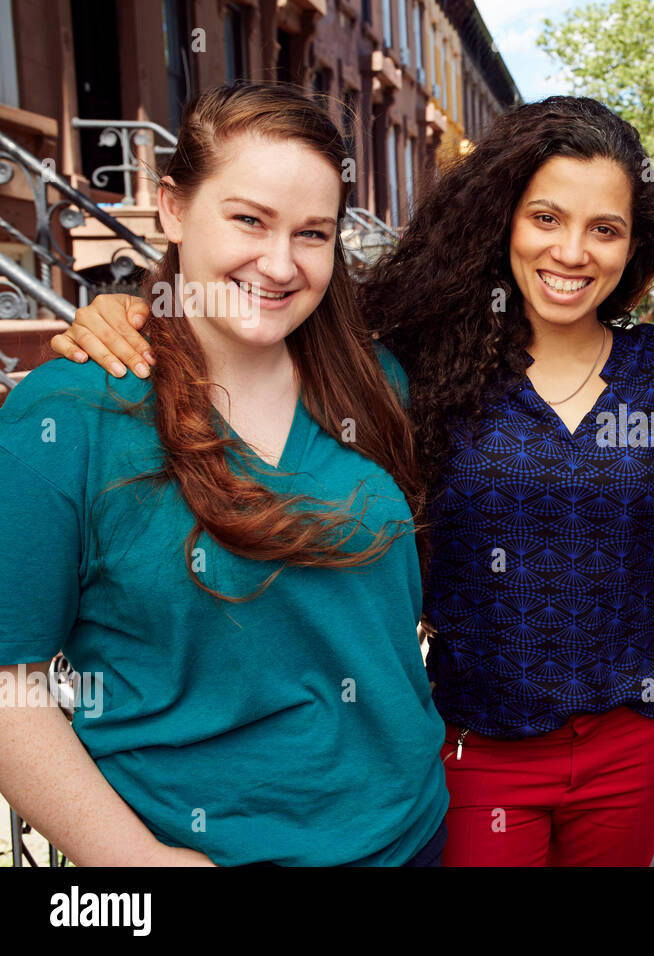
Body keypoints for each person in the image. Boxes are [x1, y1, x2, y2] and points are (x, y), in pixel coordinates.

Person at [49, 96, 654, 867]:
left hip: (634, 742)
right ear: (503, 220)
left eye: (605, 228)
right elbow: (268, 302)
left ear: (633, 247)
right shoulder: (413, 366)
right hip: (477, 741)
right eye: (545, 218)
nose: (572, 251)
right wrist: (135, 312)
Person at [0, 83, 449, 866]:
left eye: (312, 233)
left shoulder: (375, 385)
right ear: (173, 208)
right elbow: (10, 686)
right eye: (248, 219)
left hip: (409, 839)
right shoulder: (67, 416)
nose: (279, 264)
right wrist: (138, 865)